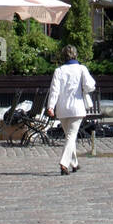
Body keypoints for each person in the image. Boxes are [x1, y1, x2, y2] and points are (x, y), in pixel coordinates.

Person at [47, 44, 96, 176]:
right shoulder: (81, 69)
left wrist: (51, 106)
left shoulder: (59, 71)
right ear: (76, 55)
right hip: (76, 107)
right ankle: (64, 163)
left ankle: (74, 163)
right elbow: (90, 86)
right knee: (70, 136)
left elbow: (54, 91)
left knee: (69, 136)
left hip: (62, 109)